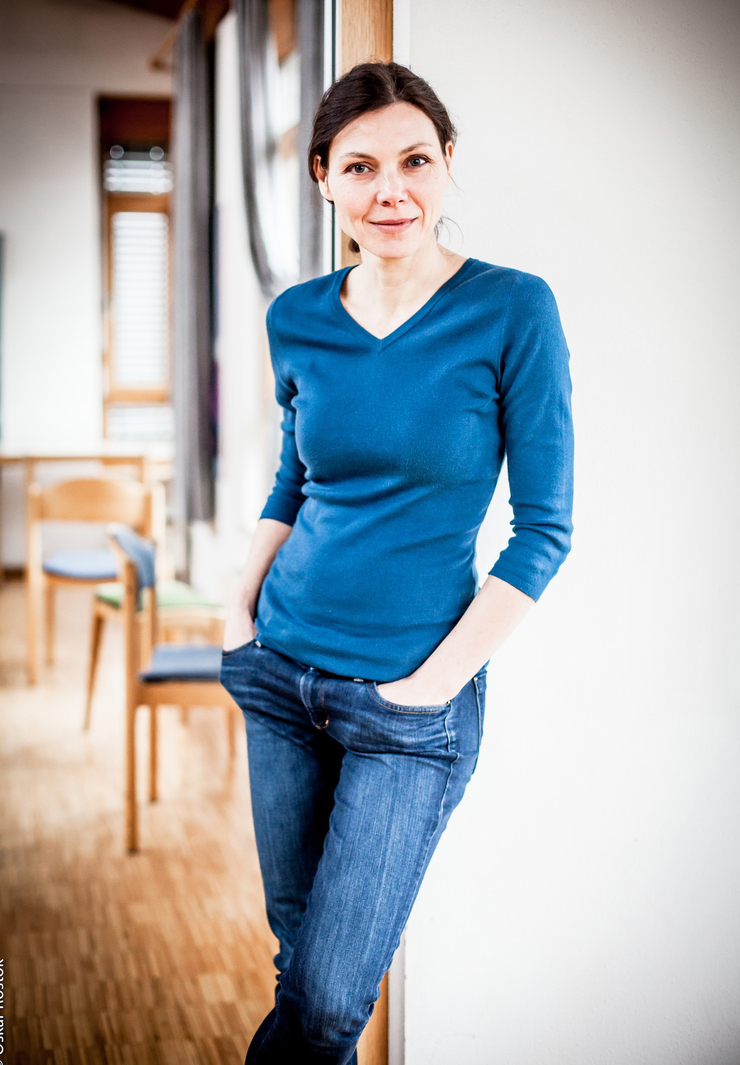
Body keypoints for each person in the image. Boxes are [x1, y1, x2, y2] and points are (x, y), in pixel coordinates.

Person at [220, 60, 574, 1065]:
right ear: (323, 178)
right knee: (299, 967)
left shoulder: (511, 309)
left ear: (447, 162)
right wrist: (237, 617)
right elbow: (293, 479)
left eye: (414, 161)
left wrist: (428, 689)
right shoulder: (296, 316)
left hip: (409, 707)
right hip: (279, 673)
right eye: (361, 166)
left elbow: (544, 529)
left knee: (330, 1003)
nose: (391, 191)